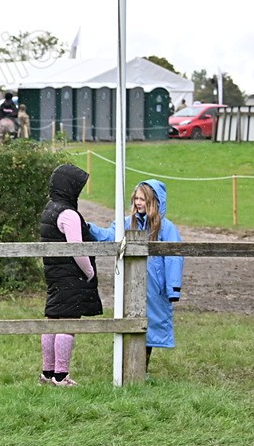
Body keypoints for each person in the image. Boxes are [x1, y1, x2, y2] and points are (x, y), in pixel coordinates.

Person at [88, 180, 183, 373]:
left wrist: (173, 288)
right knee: (130, 322)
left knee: (151, 327)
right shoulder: (125, 223)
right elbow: (110, 236)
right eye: (136, 198)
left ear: (153, 201)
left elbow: (174, 257)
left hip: (155, 288)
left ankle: (141, 369)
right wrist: (89, 228)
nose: (138, 202)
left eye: (143, 199)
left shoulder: (166, 228)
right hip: (130, 283)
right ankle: (129, 367)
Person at [39, 163, 103, 386]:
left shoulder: (49, 209)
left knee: (53, 318)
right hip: (71, 275)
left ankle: (47, 372)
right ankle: (60, 375)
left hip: (54, 273)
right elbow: (78, 248)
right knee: (68, 322)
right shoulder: (68, 214)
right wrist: (89, 271)